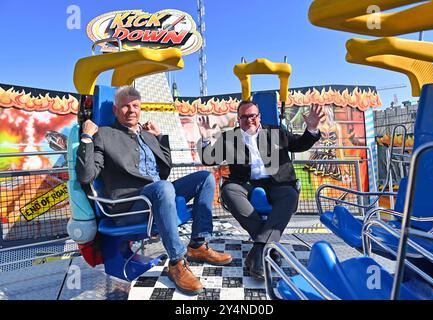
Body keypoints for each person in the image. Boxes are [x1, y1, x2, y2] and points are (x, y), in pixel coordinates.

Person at [76, 86, 232, 295]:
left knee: (204, 178)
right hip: (130, 203)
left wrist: (159, 138)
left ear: (140, 109)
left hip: (158, 192)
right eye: (125, 106)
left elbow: (165, 170)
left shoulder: (146, 135)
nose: (131, 110)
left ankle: (197, 245)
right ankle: (176, 262)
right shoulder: (104, 135)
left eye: (135, 106)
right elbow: (86, 176)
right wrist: (86, 137)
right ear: (115, 110)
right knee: (163, 188)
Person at [198, 100, 324, 279]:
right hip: (244, 183)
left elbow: (299, 144)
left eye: (253, 116)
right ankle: (267, 247)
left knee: (290, 195)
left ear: (259, 116)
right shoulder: (229, 138)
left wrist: (311, 128)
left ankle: (258, 251)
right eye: (244, 117)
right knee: (228, 191)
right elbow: (208, 160)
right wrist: (205, 139)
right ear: (238, 119)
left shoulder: (275, 132)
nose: (249, 120)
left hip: (277, 182)